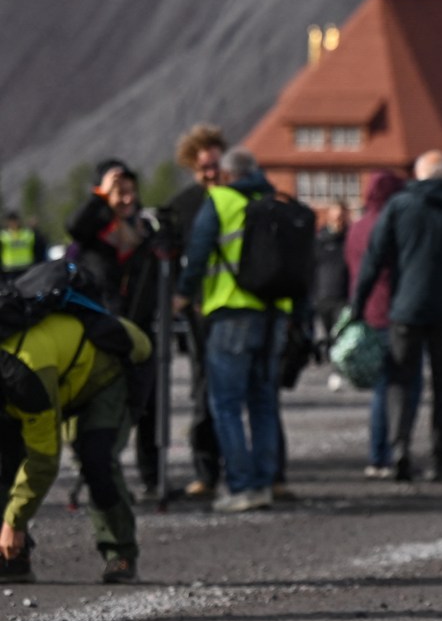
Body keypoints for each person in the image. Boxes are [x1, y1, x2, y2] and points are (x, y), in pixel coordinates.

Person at [349, 151, 442, 484]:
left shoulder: (400, 206)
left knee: (400, 382)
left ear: (418, 174)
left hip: (405, 308)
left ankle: (400, 449)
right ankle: (440, 458)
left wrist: (358, 305)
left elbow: (374, 258)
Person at [2, 306, 152, 583]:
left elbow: (44, 459)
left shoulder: (26, 375)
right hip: (62, 376)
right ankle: (13, 559)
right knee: (4, 463)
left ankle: (120, 553)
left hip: (110, 370)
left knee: (97, 459)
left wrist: (14, 522)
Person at [178, 147, 291, 513]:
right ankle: (264, 483)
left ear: (227, 175)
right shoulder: (276, 201)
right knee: (263, 401)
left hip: (231, 310)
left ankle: (241, 486)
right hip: (274, 312)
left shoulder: (220, 200)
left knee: (226, 403)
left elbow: (198, 252)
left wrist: (183, 293)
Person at [64, 160, 168, 496]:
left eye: (130, 190)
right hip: (101, 330)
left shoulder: (145, 230)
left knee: (148, 404)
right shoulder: (92, 235)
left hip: (141, 327)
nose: (126, 198)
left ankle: (153, 477)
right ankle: (104, 479)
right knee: (104, 407)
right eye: (117, 192)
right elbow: (74, 225)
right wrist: (101, 193)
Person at [163, 124, 227, 498]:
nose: (212, 173)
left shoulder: (237, 200)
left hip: (237, 311)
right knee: (203, 393)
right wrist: (182, 299)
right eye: (204, 167)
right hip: (201, 314)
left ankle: (256, 472)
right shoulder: (183, 207)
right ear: (192, 167)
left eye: (216, 165)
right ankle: (206, 471)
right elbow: (170, 262)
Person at [345, 170, 410, 476]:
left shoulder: (357, 227)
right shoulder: (392, 225)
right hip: (391, 311)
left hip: (366, 311)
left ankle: (377, 454)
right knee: (394, 388)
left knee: (380, 389)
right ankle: (387, 452)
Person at [310, 203, 350, 345]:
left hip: (343, 300)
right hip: (321, 299)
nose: (338, 221)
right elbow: (311, 269)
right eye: (335, 218)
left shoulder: (349, 240)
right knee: (324, 341)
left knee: (340, 341)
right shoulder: (319, 241)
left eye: (341, 218)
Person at [1, 211, 47, 281]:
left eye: (14, 221)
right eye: (11, 221)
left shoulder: (27, 233)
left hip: (26, 267)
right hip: (9, 269)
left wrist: (35, 229)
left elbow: (40, 245)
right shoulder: (3, 235)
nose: (13, 223)